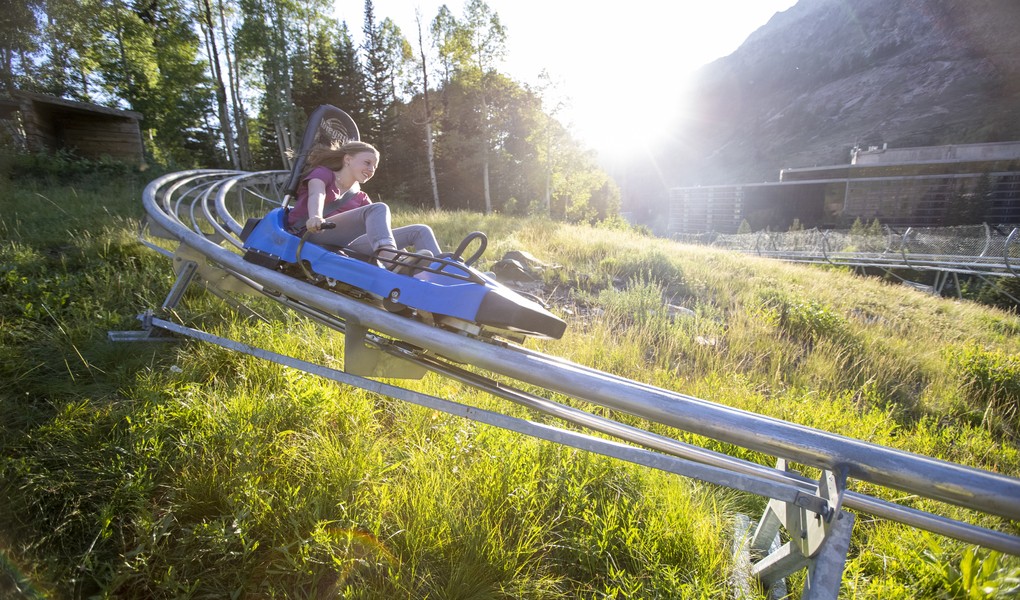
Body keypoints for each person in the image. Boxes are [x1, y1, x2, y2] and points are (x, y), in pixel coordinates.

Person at [286, 140, 441, 267]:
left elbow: (378, 232)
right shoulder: (323, 173)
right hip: (312, 232)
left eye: (375, 166)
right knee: (379, 208)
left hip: (346, 244)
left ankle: (448, 273)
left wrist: (403, 250)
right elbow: (316, 194)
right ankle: (391, 261)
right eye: (367, 162)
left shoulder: (360, 196)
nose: (371, 169)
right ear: (348, 159)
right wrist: (315, 216)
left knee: (421, 231)